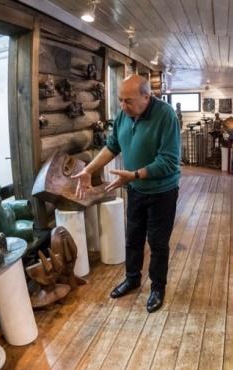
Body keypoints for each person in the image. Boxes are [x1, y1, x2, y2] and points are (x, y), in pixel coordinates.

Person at [73, 74, 180, 313]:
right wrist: (88, 170)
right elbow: (112, 146)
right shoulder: (124, 115)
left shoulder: (166, 116)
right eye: (120, 100)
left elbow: (169, 161)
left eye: (128, 101)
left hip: (162, 192)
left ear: (146, 96)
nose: (122, 106)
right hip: (136, 189)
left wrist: (134, 175)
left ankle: (157, 288)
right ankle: (132, 279)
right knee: (133, 237)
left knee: (158, 243)